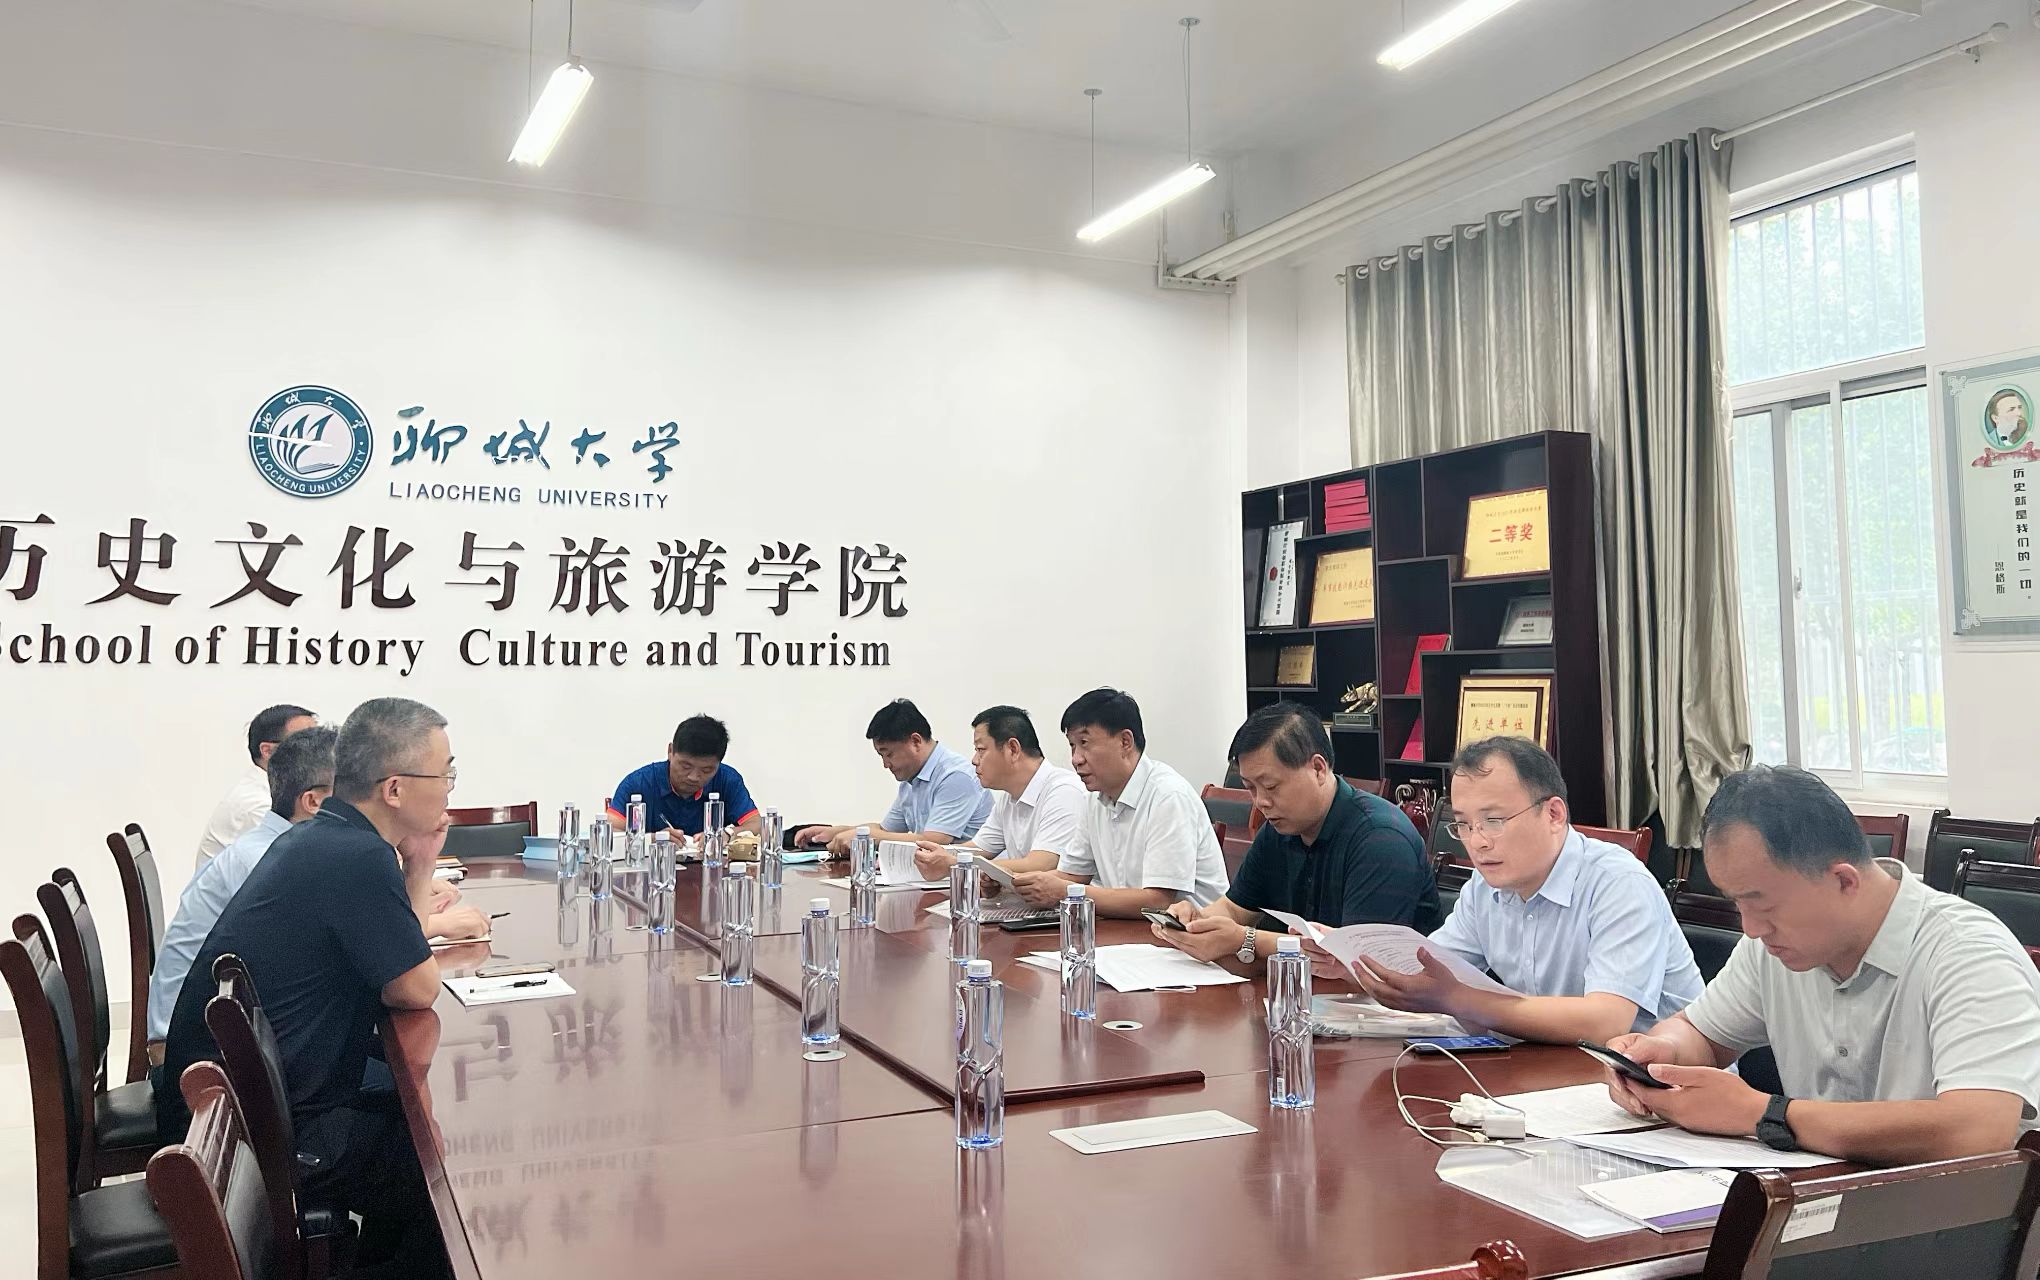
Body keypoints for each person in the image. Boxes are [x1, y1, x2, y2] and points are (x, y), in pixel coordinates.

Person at [158, 697, 460, 1277]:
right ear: (395, 789)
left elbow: (400, 971)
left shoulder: (328, 836)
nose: (449, 788)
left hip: (235, 1109)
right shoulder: (357, 856)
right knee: (434, 1160)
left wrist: (419, 864)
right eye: (444, 774)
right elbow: (416, 988)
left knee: (408, 1112)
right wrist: (418, 868)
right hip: (245, 1142)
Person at [1602, 766, 2040, 1165]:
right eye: (1737, 904)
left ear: (1844, 880)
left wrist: (1764, 1114)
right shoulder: (1772, 948)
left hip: (1960, 1216)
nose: (1751, 928)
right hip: (1827, 1198)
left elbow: (1979, 1129)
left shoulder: (1967, 954)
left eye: (1763, 905)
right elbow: (1702, 1033)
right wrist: (1661, 1055)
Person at [148, 726, 487, 1049]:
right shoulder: (300, 854)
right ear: (314, 802)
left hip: (233, 1037)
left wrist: (418, 870)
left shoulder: (295, 843)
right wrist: (436, 921)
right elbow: (412, 985)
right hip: (209, 1058)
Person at [1351, 736, 1701, 1044]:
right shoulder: (1484, 887)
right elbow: (1430, 967)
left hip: (1665, 1081)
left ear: (1554, 814)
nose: (1477, 842)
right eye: (1463, 824)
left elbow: (1605, 1022)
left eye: (1493, 821)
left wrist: (1460, 999)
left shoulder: (1618, 883)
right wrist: (1355, 962)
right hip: (1558, 1068)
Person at [1152, 702, 1440, 965]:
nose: (1261, 802)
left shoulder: (1381, 838)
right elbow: (1235, 909)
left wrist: (1246, 940)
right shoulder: (1278, 829)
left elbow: (1355, 957)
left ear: (1318, 769)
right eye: (1251, 788)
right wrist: (1194, 921)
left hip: (1382, 1000)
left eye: (1271, 786)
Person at [1008, 688, 1228, 917]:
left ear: (1125, 742)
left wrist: (1066, 892)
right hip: (1130, 929)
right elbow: (1072, 876)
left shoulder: (1168, 796)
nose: (1075, 759)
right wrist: (1015, 882)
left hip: (1189, 932)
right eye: (1072, 745)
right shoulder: (1093, 799)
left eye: (1084, 743)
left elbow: (1158, 901)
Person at [793, 698, 992, 857]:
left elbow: (933, 841)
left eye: (889, 754)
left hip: (973, 881)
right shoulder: (911, 779)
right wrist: (835, 832)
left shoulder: (956, 776)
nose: (886, 764)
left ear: (915, 741)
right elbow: (885, 829)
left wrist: (869, 837)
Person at [912, 705, 1086, 882]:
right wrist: (931, 856)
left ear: (1013, 749)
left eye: (981, 750)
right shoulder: (1009, 798)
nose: (974, 760)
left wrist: (955, 863)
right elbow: (977, 849)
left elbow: (1041, 864)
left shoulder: (1064, 791)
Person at [195, 703, 316, 865]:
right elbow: (298, 862)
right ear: (267, 751)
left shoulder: (284, 790)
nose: (319, 749)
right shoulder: (256, 804)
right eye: (305, 741)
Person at [606, 714, 763, 836]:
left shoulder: (727, 780)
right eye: (685, 766)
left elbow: (756, 824)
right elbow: (611, 831)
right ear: (670, 751)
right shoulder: (639, 783)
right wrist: (652, 840)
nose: (693, 777)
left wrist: (727, 834)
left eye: (706, 770)